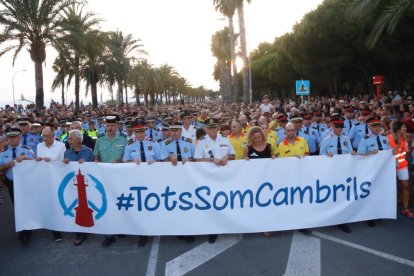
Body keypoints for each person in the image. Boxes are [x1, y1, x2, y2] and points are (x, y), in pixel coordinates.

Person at [194, 118, 235, 243]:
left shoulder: (225, 139)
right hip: (208, 178)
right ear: (206, 129)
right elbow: (197, 159)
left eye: (214, 127)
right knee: (211, 204)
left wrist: (227, 157)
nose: (212, 130)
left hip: (224, 177)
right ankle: (212, 230)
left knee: (224, 201)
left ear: (218, 128)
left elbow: (233, 155)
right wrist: (212, 160)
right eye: (209, 127)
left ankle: (226, 225)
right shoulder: (201, 142)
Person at [122, 119, 161, 247]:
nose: (140, 134)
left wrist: (155, 163)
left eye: (142, 131)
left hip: (153, 179)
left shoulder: (153, 143)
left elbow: (161, 160)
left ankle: (155, 227)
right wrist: (132, 163)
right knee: (140, 206)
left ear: (145, 131)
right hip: (137, 180)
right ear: (134, 132)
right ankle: (142, 234)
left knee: (153, 204)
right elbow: (124, 161)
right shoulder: (130, 144)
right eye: (137, 132)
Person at [94, 115, 127, 247]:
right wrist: (96, 160)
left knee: (121, 203)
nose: (110, 128)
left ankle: (122, 228)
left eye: (113, 125)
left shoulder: (124, 139)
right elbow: (96, 154)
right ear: (105, 126)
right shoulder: (100, 140)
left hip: (120, 177)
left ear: (117, 126)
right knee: (107, 205)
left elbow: (128, 155)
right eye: (108, 126)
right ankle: (109, 234)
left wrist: (119, 161)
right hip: (104, 178)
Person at [161, 122, 195, 243]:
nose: (174, 133)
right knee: (177, 205)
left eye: (177, 130)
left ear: (181, 131)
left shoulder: (189, 142)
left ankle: (190, 231)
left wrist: (189, 159)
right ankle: (180, 230)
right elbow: (161, 159)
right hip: (173, 179)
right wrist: (169, 157)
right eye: (172, 130)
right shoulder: (165, 144)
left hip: (188, 179)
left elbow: (196, 158)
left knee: (190, 205)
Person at [319, 117, 355, 233]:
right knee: (332, 194)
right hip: (331, 171)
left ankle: (342, 221)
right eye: (337, 126)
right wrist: (326, 155)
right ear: (332, 127)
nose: (340, 128)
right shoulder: (326, 139)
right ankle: (330, 217)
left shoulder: (346, 139)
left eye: (341, 126)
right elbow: (320, 156)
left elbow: (350, 152)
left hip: (344, 171)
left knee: (342, 195)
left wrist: (353, 153)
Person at [0, 128, 35, 245]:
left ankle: (26, 230)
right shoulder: (4, 152)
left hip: (25, 182)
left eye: (14, 137)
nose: (12, 140)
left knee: (25, 205)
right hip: (11, 183)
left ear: (19, 138)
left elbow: (36, 165)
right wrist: (7, 165)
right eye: (10, 138)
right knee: (17, 206)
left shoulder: (26, 150)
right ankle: (23, 228)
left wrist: (25, 158)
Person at [357, 116, 391, 227]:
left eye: (378, 126)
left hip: (382, 170)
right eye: (374, 126)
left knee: (380, 192)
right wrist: (370, 153)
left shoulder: (384, 138)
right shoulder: (365, 139)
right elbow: (360, 156)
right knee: (370, 194)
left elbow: (389, 153)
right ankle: (369, 216)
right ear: (369, 127)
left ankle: (378, 212)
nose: (377, 128)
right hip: (370, 171)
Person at [63, 129, 94, 245]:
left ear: (78, 139)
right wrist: (64, 163)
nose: (68, 141)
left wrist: (87, 163)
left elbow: (94, 168)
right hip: (72, 187)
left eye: (71, 138)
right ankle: (79, 233)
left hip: (88, 186)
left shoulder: (88, 152)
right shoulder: (67, 153)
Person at [36, 126, 66, 242]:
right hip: (43, 179)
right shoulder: (39, 146)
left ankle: (57, 231)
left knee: (57, 203)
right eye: (43, 136)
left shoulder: (61, 146)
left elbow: (64, 163)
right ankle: (50, 225)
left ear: (54, 136)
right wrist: (38, 160)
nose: (45, 138)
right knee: (47, 203)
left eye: (47, 136)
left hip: (57, 179)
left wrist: (53, 162)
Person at [388, 122, 414, 218]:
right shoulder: (389, 138)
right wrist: (398, 143)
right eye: (403, 127)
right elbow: (391, 152)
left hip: (402, 165)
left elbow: (407, 151)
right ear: (398, 129)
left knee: (405, 187)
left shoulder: (404, 138)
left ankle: (405, 209)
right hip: (389, 167)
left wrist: (406, 139)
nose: (405, 128)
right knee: (389, 187)